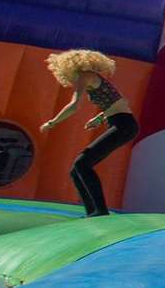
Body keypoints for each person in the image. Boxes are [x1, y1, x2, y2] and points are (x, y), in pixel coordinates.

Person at [40, 49, 136, 217]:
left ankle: (100, 211)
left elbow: (74, 105)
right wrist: (99, 118)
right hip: (122, 123)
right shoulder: (95, 78)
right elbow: (120, 102)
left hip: (123, 125)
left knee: (82, 164)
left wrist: (52, 122)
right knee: (76, 169)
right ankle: (92, 211)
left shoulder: (84, 76)